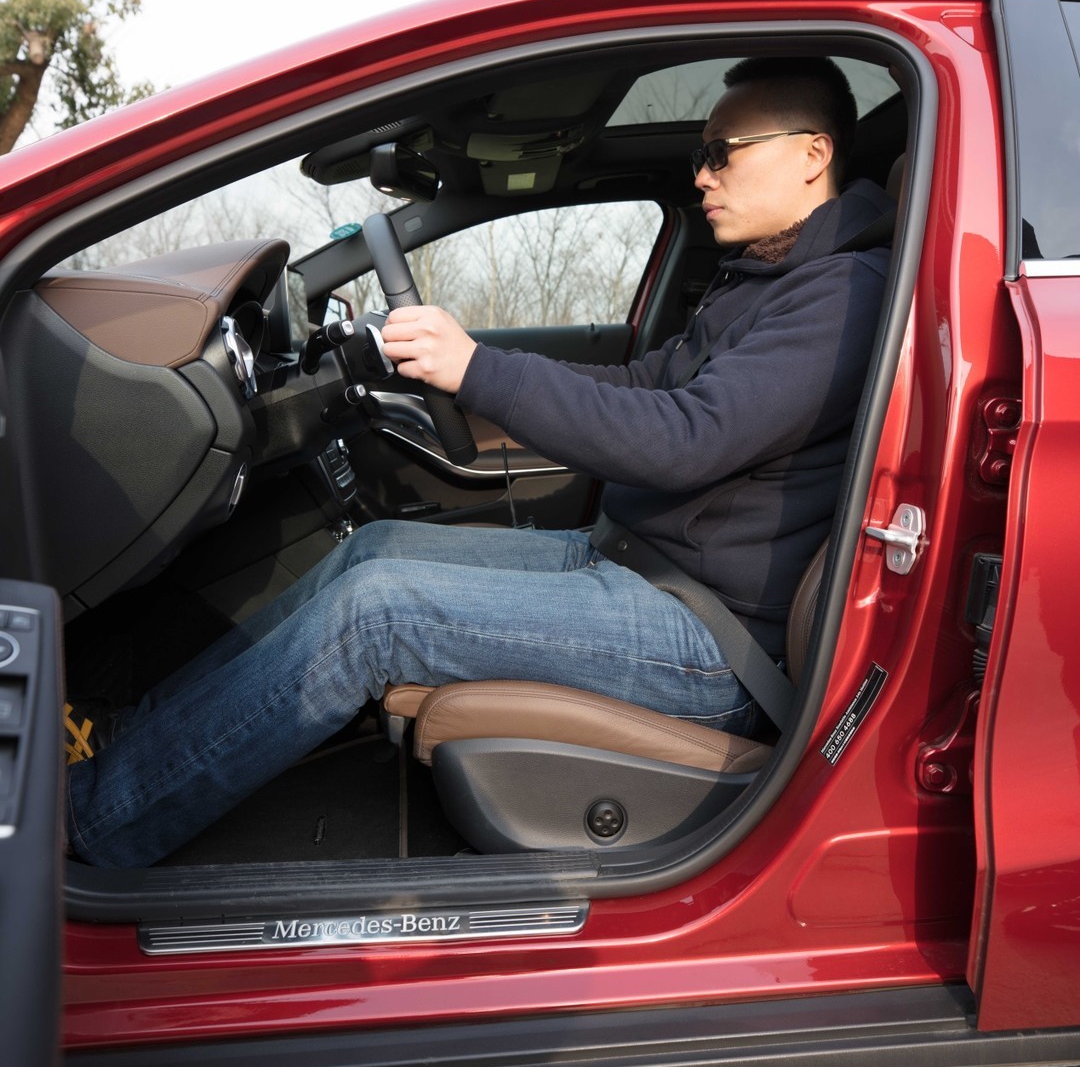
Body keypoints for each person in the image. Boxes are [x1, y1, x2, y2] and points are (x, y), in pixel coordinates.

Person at [64, 57, 895, 867]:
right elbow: (646, 380)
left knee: (379, 610)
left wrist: (480, 371)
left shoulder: (843, 295)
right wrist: (470, 358)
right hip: (641, 567)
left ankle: (97, 819)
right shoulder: (765, 279)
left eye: (722, 153)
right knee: (375, 547)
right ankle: (136, 737)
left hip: (706, 639)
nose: (702, 175)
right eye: (699, 156)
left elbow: (687, 436)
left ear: (812, 154)